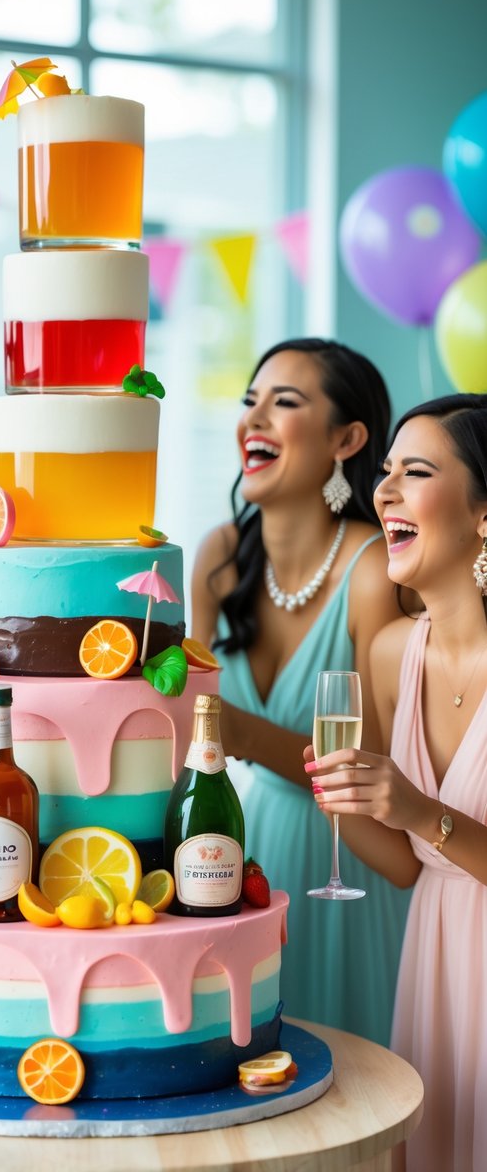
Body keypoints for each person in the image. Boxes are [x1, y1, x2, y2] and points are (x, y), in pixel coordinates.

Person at [191, 338, 411, 1045]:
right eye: (248, 401)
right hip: (254, 857)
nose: (254, 419)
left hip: (351, 870)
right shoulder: (217, 559)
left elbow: (371, 775)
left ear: (345, 439)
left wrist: (247, 735)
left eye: (284, 403)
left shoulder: (374, 569)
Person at [308, 394, 487, 1172]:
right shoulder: (387, 652)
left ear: (483, 515)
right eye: (383, 472)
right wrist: (343, 802)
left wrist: (417, 808)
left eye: (414, 473)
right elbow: (409, 864)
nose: (381, 492)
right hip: (435, 957)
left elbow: (425, 824)